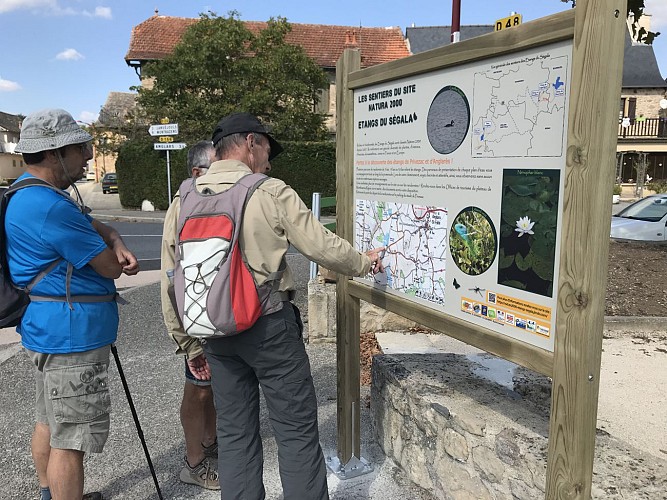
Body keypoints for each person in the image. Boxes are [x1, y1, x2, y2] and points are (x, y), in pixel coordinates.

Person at [160, 112, 385, 500]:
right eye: (267, 149)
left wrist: (189, 345)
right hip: (268, 327)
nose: (269, 159)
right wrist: (364, 262)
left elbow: (169, 279)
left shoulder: (183, 197)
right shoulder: (268, 191)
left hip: (213, 332)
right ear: (250, 142)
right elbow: (322, 246)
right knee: (295, 430)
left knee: (234, 434)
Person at [5, 109, 139, 500]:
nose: (86, 156)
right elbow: (111, 269)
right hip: (73, 337)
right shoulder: (52, 207)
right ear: (53, 153)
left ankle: (52, 494)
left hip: (47, 328)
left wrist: (113, 234)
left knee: (50, 422)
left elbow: (97, 225)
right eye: (81, 149)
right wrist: (115, 248)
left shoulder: (30, 193)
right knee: (73, 440)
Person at [169, 139, 220, 490]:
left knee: (212, 385)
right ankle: (193, 462)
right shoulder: (183, 204)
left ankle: (209, 442)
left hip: (216, 313)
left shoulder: (211, 199)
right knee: (198, 388)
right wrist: (187, 343)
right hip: (195, 319)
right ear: (197, 172)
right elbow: (168, 277)